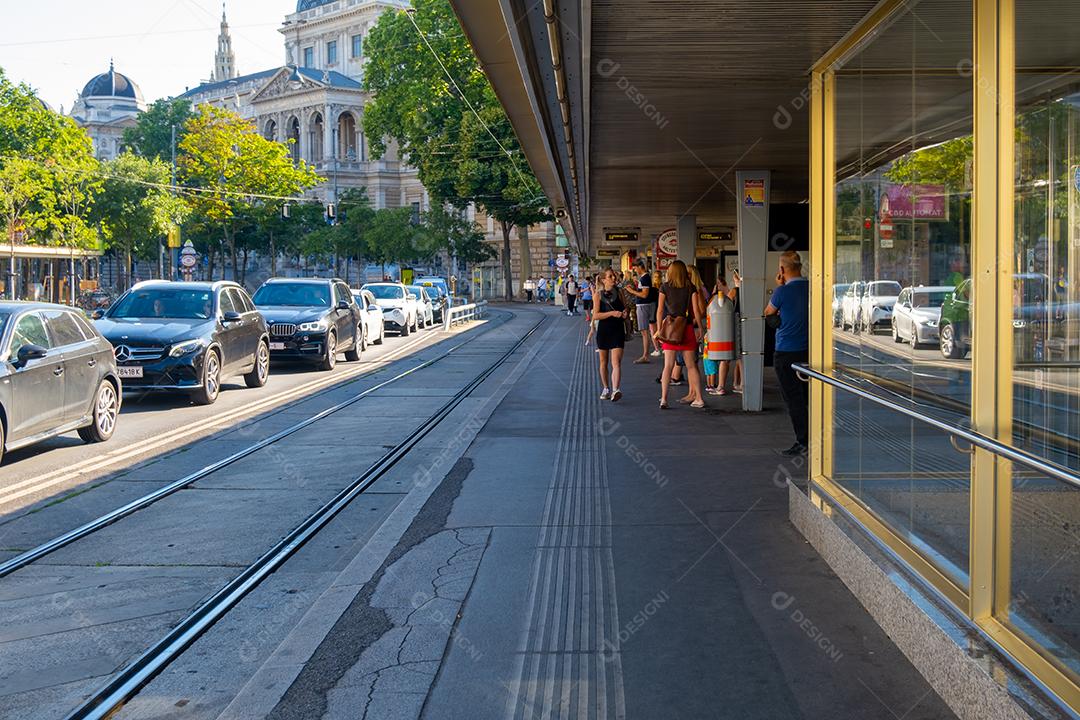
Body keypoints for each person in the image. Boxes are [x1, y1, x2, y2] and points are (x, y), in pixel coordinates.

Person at [766, 254, 810, 456]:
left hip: (786, 352)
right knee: (809, 396)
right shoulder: (811, 288)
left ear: (782, 270)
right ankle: (815, 437)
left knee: (793, 398)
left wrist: (779, 285)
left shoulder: (781, 292)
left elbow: (768, 312)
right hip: (809, 350)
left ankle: (803, 441)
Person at [655, 260, 705, 409]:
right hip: (687, 328)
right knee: (691, 366)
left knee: (668, 366)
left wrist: (659, 330)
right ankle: (699, 398)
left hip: (670, 329)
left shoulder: (664, 287)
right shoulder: (691, 287)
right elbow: (696, 310)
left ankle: (664, 399)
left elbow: (659, 310)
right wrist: (700, 328)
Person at [593, 268, 628, 401]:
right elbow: (595, 315)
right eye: (610, 276)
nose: (614, 278)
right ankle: (606, 387)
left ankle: (615, 390)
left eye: (614, 276)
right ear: (603, 280)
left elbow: (625, 309)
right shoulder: (598, 295)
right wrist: (612, 313)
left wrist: (624, 314)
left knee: (616, 362)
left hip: (618, 329)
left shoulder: (620, 293)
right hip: (604, 331)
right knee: (603, 362)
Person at [624, 258, 657, 363]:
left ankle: (645, 355)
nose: (634, 270)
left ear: (639, 267)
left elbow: (644, 294)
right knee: (644, 331)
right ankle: (646, 354)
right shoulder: (644, 278)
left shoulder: (645, 278)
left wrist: (632, 291)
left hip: (643, 306)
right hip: (644, 305)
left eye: (635, 268)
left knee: (644, 332)